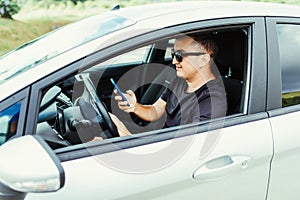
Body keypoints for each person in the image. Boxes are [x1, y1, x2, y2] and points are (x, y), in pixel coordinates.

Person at [110, 34, 227, 136]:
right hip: (161, 139)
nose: (174, 61)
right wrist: (134, 106)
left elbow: (187, 148)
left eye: (180, 56)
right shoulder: (179, 80)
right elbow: (157, 109)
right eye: (173, 54)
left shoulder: (212, 100)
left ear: (203, 59)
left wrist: (128, 138)